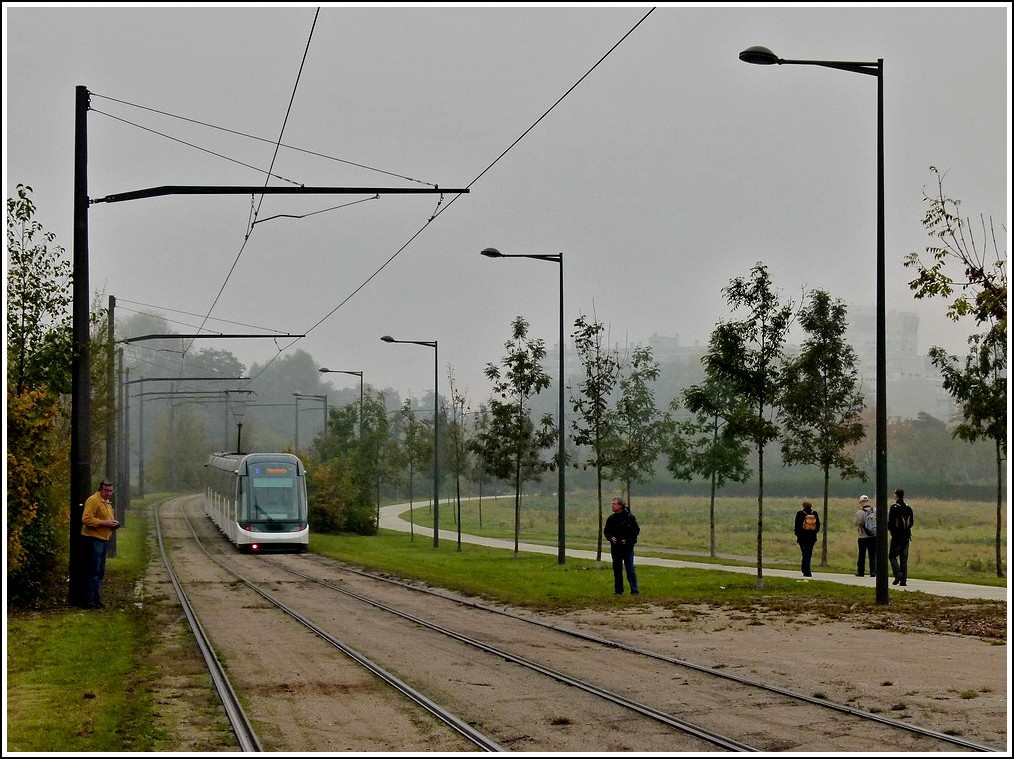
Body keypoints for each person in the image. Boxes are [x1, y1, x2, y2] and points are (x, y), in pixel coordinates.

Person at [80, 480, 120, 609]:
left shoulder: (106, 502)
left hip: (103, 539)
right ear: (100, 489)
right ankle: (88, 600)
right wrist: (105, 523)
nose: (109, 493)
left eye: (111, 491)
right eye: (106, 490)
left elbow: (106, 518)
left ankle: (96, 599)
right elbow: (86, 519)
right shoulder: (93, 500)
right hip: (93, 539)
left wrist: (113, 524)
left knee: (100, 571)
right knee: (93, 571)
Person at [603, 496, 640, 596]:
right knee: (617, 570)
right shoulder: (611, 518)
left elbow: (636, 531)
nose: (612, 506)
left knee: (630, 569)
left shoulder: (629, 518)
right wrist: (611, 538)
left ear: (620, 506)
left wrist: (627, 541)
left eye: (614, 504)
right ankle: (618, 591)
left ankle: (635, 591)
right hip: (615, 548)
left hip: (627, 548)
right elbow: (606, 531)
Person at [888, 488, 915, 586]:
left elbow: (890, 522)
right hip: (906, 536)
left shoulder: (894, 507)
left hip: (896, 537)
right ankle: (903, 580)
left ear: (896, 495)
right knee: (904, 559)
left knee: (892, 556)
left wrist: (891, 531)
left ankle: (898, 574)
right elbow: (911, 523)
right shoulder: (908, 508)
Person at [793, 500, 820, 578]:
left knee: (805, 554)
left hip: (802, 538)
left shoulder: (800, 514)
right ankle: (806, 570)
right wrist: (814, 532)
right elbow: (818, 525)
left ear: (803, 506)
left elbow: (797, 525)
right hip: (812, 538)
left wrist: (798, 534)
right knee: (809, 554)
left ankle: (806, 570)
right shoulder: (814, 513)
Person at [853, 494, 876, 577]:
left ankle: (861, 571)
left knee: (862, 555)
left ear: (861, 502)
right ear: (868, 501)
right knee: (872, 555)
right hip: (873, 536)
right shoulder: (874, 510)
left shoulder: (860, 512)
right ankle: (873, 571)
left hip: (863, 536)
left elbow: (857, 523)